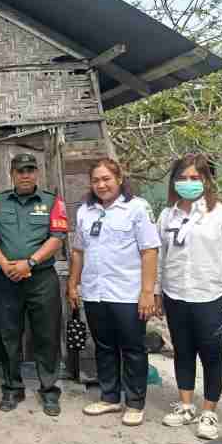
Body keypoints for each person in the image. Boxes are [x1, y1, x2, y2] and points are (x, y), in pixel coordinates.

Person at [156, 154, 222, 439]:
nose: (188, 183)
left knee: (211, 354)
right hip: (176, 294)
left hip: (212, 295)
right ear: (175, 182)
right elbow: (161, 257)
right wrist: (156, 291)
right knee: (183, 351)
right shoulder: (168, 214)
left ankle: (209, 411)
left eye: (195, 178)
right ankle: (186, 406)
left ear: (207, 180)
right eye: (183, 178)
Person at [67, 158, 160, 427]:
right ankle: (109, 397)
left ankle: (134, 402)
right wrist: (73, 283)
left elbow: (150, 251)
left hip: (128, 293)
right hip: (96, 292)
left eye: (106, 178)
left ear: (119, 178)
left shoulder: (137, 208)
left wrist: (147, 292)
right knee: (104, 346)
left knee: (132, 348)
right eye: (96, 180)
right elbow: (78, 251)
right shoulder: (86, 211)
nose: (101, 184)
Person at [0, 153, 68, 416]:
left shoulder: (52, 202)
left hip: (41, 278)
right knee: (9, 335)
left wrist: (29, 263)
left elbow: (57, 238)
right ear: (12, 173)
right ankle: (12, 387)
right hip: (7, 279)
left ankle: (49, 390)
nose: (26, 175)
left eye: (30, 170)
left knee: (47, 334)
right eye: (20, 170)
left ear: (37, 173)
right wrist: (3, 264)